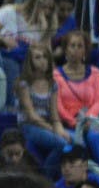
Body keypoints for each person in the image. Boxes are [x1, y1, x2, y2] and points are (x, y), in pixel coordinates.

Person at [55, 30, 99, 171]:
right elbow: (58, 105)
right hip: (69, 122)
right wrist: (75, 123)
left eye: (80, 46)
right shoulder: (56, 74)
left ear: (86, 50)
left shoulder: (95, 72)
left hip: (92, 119)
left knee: (95, 137)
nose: (75, 50)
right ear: (65, 49)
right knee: (77, 140)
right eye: (72, 45)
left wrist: (87, 119)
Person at [15, 42, 70, 174]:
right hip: (29, 126)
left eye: (45, 57)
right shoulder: (23, 83)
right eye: (38, 57)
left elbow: (54, 113)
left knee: (74, 140)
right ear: (30, 61)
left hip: (47, 124)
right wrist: (52, 129)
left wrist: (59, 128)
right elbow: (31, 115)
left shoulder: (52, 84)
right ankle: (45, 176)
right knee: (61, 143)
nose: (42, 61)